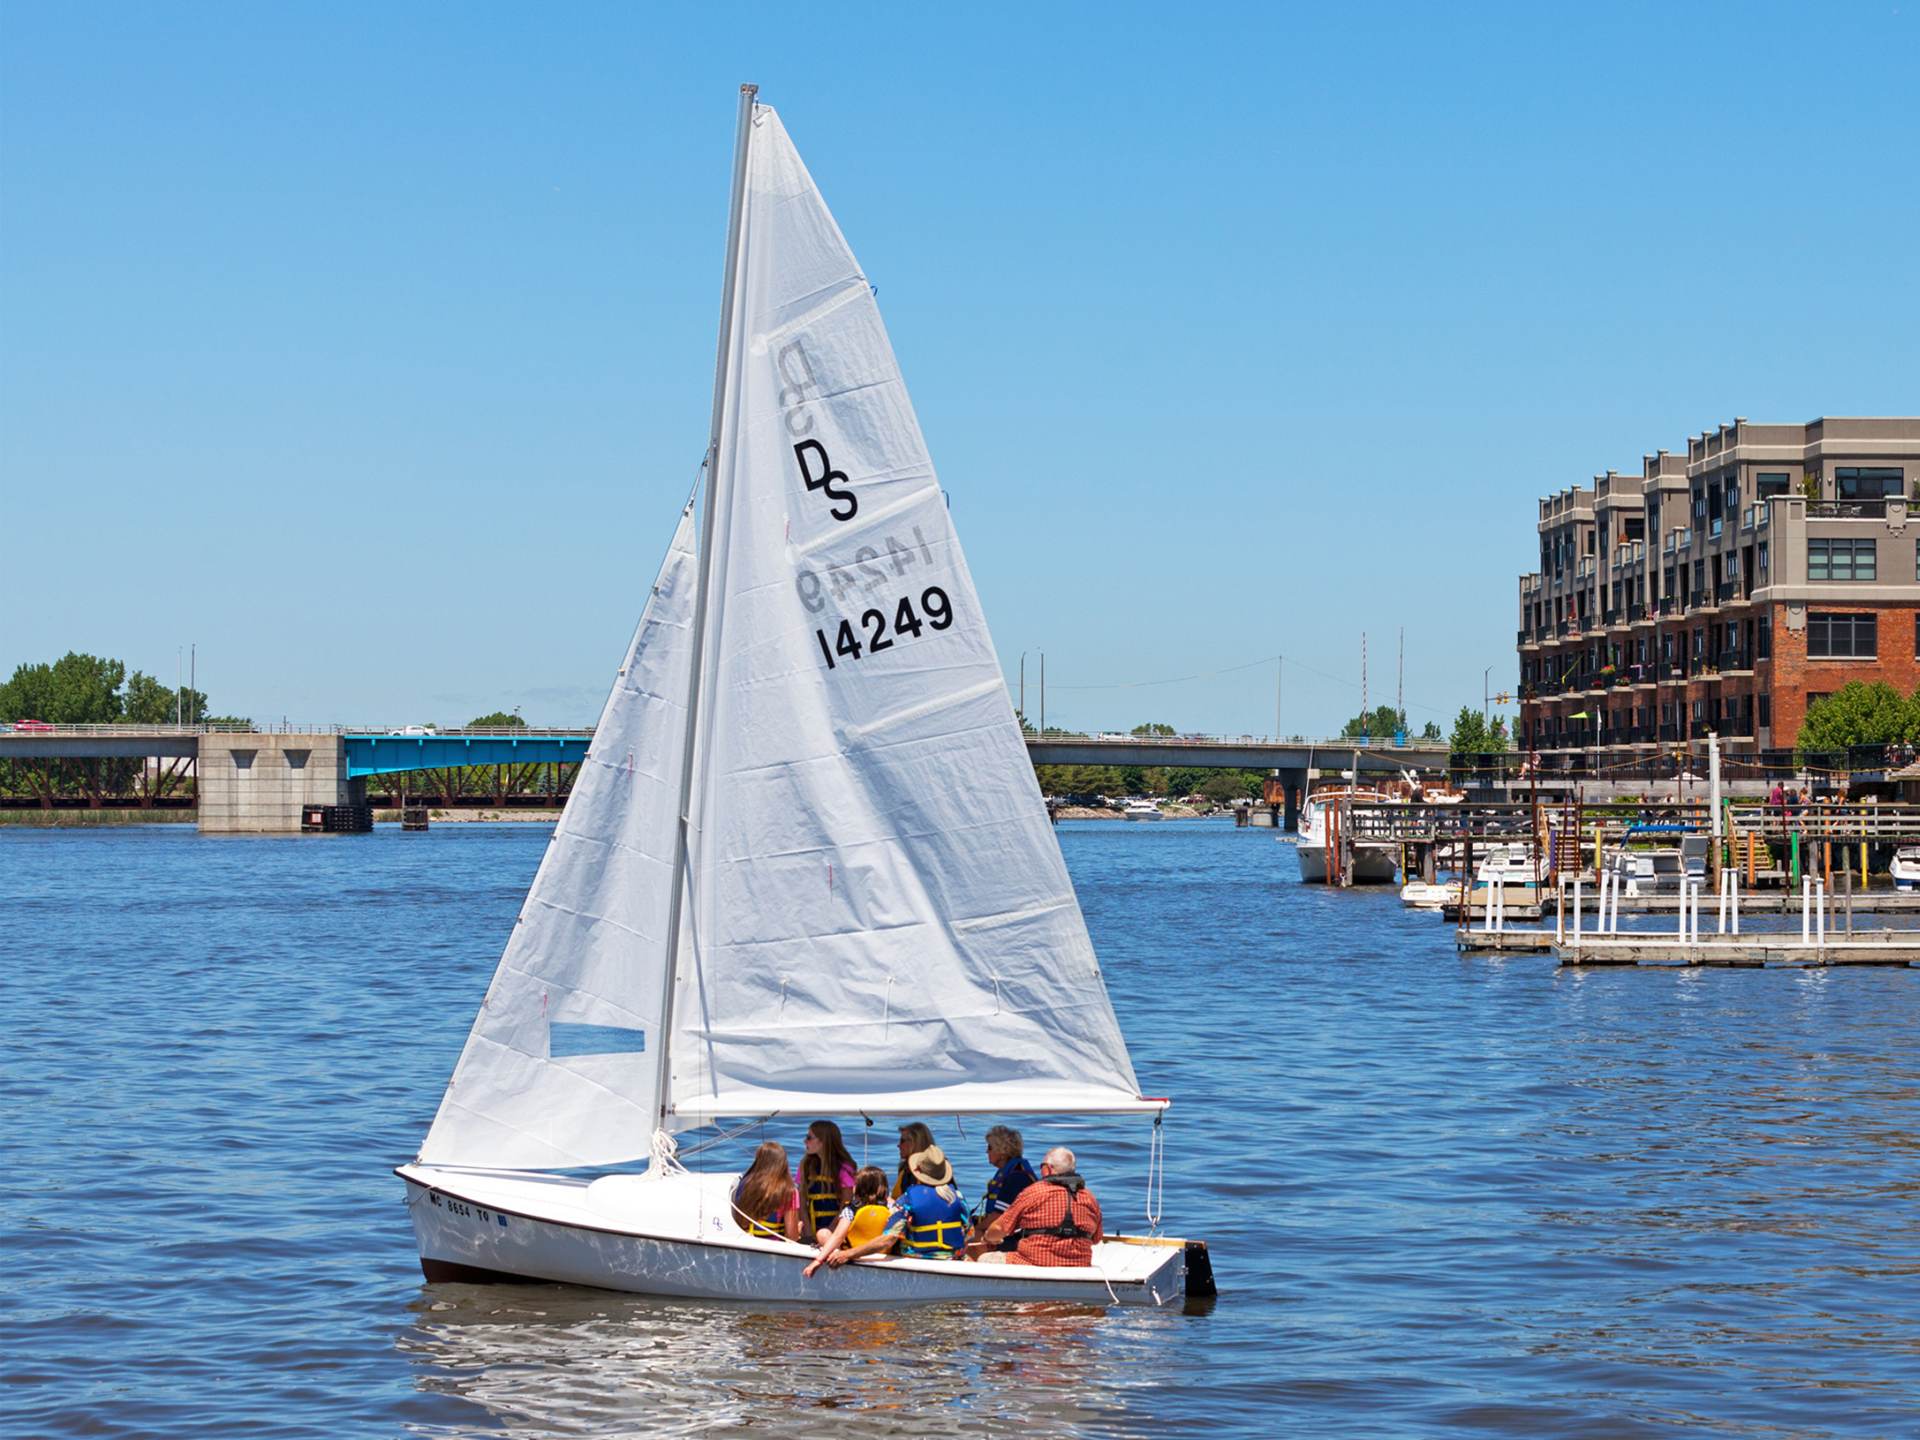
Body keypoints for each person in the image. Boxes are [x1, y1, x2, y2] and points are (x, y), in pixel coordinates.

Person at [836, 1145, 969, 1265]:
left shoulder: (907, 1200)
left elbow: (888, 1239)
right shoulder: (958, 1197)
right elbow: (969, 1233)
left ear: (917, 1173)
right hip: (953, 1259)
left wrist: (848, 1254)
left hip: (918, 1259)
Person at [978, 1145, 1103, 1267]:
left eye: (1042, 1166)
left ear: (1048, 1168)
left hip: (1033, 1263)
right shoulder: (1090, 1198)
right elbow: (1097, 1239)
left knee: (985, 1259)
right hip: (1079, 1266)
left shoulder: (1033, 1192)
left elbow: (1000, 1228)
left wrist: (988, 1237)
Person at [802, 1165, 892, 1277]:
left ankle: (834, 1254)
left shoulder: (851, 1210)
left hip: (849, 1252)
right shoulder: (891, 1208)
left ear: (859, 1188)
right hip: (879, 1252)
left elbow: (838, 1236)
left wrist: (818, 1260)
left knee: (823, 1233)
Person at [968, 1125, 1037, 1255]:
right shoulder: (1013, 1172)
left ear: (1002, 1150)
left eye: (990, 1147)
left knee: (971, 1234)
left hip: (1015, 1238)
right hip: (1009, 1231)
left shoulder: (1016, 1177)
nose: (986, 1152)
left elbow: (998, 1217)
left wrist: (974, 1228)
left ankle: (978, 1270)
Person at [730, 1140, 802, 1241]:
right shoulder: (789, 1192)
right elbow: (792, 1236)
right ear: (783, 1163)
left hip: (747, 1241)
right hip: (774, 1246)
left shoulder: (745, 1184)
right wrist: (798, 1228)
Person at [797, 1120, 857, 1240]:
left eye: (809, 1137)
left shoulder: (844, 1168)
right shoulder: (805, 1165)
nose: (805, 1141)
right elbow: (802, 1204)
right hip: (811, 1230)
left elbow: (845, 1207)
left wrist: (829, 1234)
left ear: (823, 1141)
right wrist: (809, 1233)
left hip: (836, 1232)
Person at [892, 1121, 935, 1198]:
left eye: (902, 1141)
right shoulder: (905, 1170)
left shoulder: (933, 1170)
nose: (898, 1145)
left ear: (915, 1142)